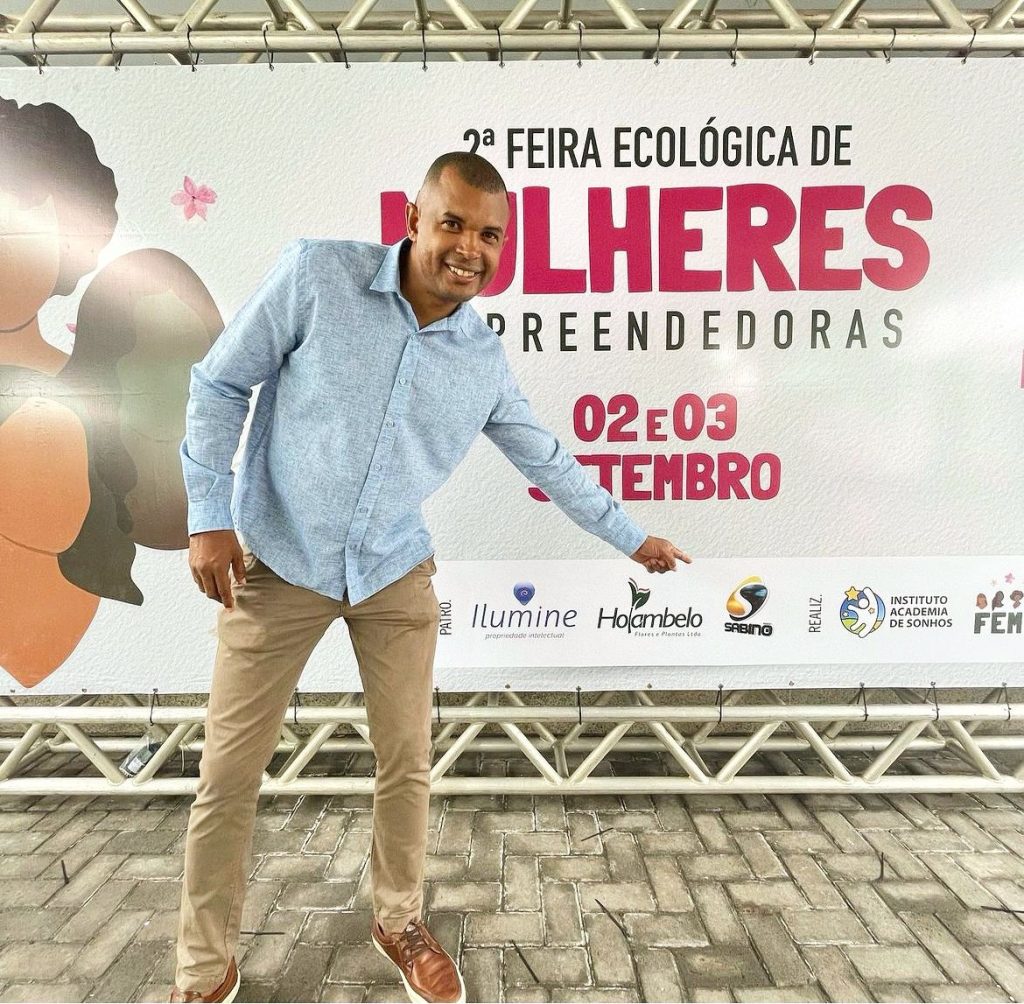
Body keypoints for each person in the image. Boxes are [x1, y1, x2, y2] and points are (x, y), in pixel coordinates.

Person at [171, 151, 692, 1004]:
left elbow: (548, 460)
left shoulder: (480, 361)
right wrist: (207, 515)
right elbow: (220, 383)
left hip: (391, 570)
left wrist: (632, 539)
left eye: (490, 235)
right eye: (453, 223)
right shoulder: (317, 277)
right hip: (278, 559)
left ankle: (399, 918)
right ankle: (204, 965)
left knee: (407, 762)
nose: (469, 249)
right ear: (414, 220)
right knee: (228, 774)